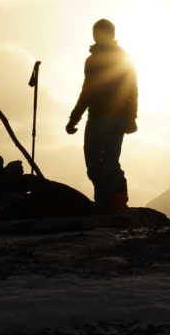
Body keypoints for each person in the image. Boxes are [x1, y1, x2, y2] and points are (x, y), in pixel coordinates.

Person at [66, 19, 138, 213]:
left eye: (103, 32)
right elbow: (87, 91)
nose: (99, 36)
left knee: (108, 163)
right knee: (94, 164)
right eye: (97, 32)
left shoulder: (123, 57)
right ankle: (102, 208)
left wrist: (131, 118)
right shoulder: (91, 60)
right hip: (95, 117)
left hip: (115, 117)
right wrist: (75, 118)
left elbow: (132, 89)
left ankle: (118, 205)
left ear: (111, 35)